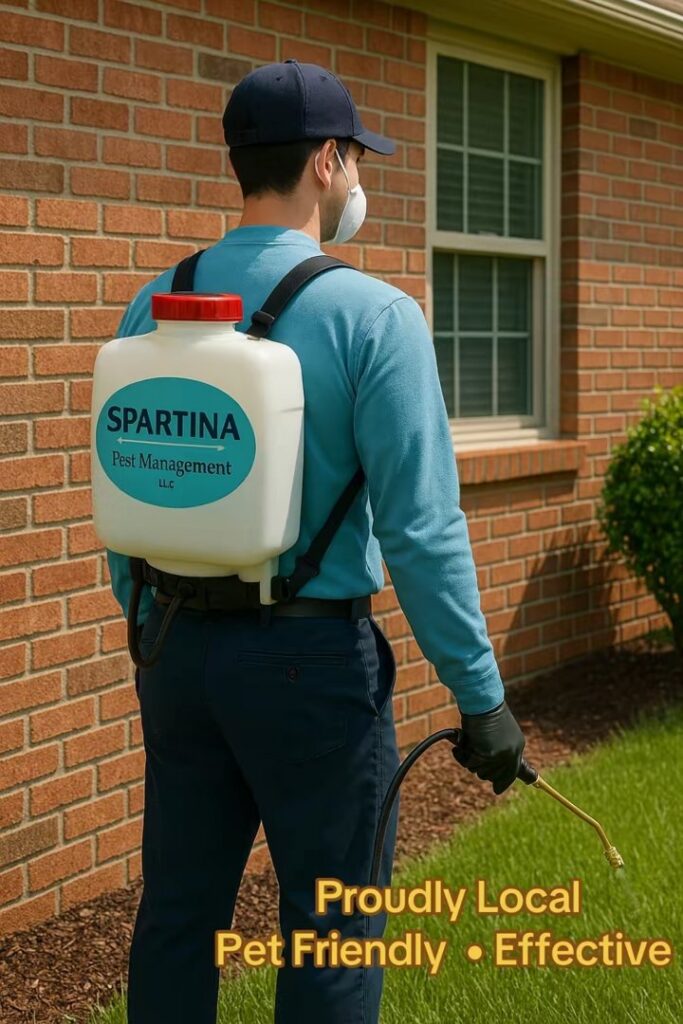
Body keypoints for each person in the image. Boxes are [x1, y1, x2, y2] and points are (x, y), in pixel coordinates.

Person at [105, 58, 526, 1024]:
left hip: (174, 651)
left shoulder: (152, 304)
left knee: (178, 913)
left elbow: (131, 486)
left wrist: (144, 612)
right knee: (330, 925)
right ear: (329, 162)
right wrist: (481, 698)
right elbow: (422, 531)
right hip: (310, 665)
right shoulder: (375, 316)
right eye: (353, 159)